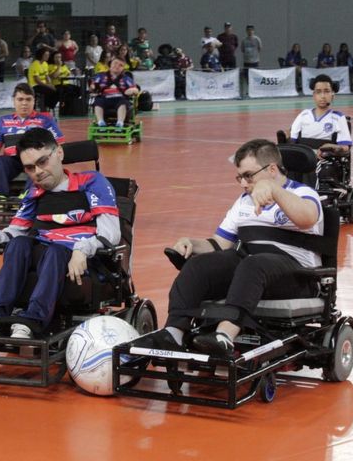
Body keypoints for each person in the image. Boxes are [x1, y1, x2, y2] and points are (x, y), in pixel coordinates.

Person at [135, 139, 323, 356]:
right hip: (252, 269)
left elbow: (308, 218)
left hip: (296, 274)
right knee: (199, 265)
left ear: (272, 169)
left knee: (253, 264)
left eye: (248, 176)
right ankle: (174, 332)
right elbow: (219, 244)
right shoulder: (244, 201)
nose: (243, 184)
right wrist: (192, 243)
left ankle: (224, 335)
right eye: (240, 177)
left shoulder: (304, 193)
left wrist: (274, 190)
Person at [0, 128, 120, 340]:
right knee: (19, 244)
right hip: (46, 255)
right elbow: (16, 230)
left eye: (42, 162)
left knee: (55, 252)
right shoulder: (34, 192)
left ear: (58, 153)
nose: (38, 172)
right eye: (30, 168)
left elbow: (111, 233)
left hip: (83, 259)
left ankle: (32, 320)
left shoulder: (92, 181)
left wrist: (82, 250)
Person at [0, 83, 64, 202]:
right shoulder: (3, 121)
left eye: (28, 99)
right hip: (12, 160)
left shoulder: (45, 120)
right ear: (13, 101)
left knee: (39, 163)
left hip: (36, 160)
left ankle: (27, 195)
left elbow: (59, 142)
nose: (24, 103)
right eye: (20, 99)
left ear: (34, 101)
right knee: (0, 162)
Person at [290, 74, 352, 158]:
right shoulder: (303, 115)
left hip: (326, 161)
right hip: (303, 160)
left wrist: (330, 147)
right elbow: (292, 142)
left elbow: (345, 148)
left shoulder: (338, 118)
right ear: (314, 95)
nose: (322, 96)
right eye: (318, 92)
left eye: (326, 91)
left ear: (332, 95)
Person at [90, 57, 139, 129]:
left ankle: (120, 123)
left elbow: (136, 89)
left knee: (123, 103)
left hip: (120, 99)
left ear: (123, 69)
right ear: (110, 65)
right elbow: (93, 85)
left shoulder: (126, 78)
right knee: (98, 101)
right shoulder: (100, 76)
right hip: (104, 98)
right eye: (115, 63)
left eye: (121, 65)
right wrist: (93, 87)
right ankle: (101, 122)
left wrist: (132, 90)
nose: (117, 66)